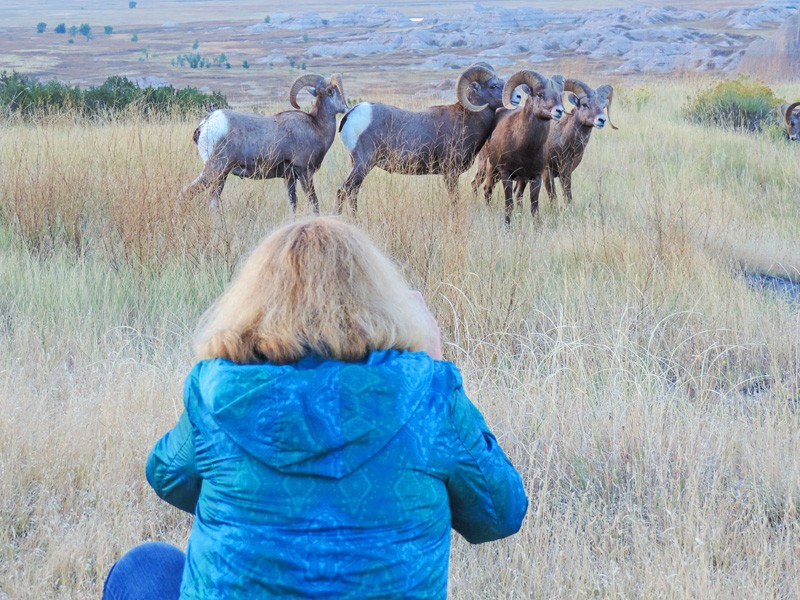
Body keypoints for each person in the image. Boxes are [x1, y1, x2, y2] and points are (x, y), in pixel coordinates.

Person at [103, 216, 527, 599]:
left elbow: (166, 476)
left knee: (145, 569)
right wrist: (435, 363)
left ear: (256, 306)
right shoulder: (431, 391)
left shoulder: (216, 390)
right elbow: (502, 512)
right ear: (379, 301)